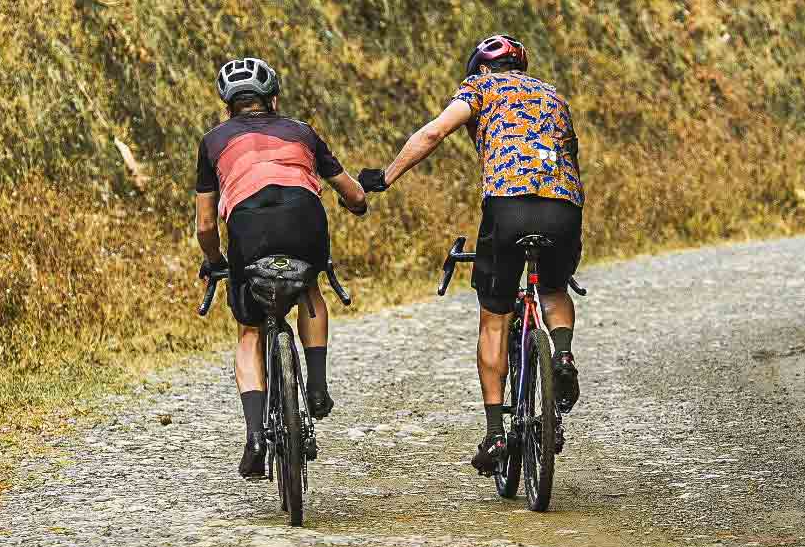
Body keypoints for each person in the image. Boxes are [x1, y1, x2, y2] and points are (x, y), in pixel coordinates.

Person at [358, 35, 583, 475]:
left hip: (508, 207)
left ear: (481, 68)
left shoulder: (480, 87)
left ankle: (496, 434)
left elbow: (434, 131)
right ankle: (562, 356)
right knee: (554, 288)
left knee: (494, 317)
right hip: (563, 207)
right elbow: (570, 154)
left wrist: (385, 177)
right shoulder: (554, 95)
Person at [195, 57, 368, 480]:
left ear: (228, 107)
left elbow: (205, 225)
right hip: (303, 218)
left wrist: (215, 262)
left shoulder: (213, 141)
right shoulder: (303, 132)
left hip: (249, 226)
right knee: (310, 288)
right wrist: (357, 203)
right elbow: (353, 193)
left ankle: (255, 436)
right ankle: (318, 386)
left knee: (250, 331)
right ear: (273, 99)